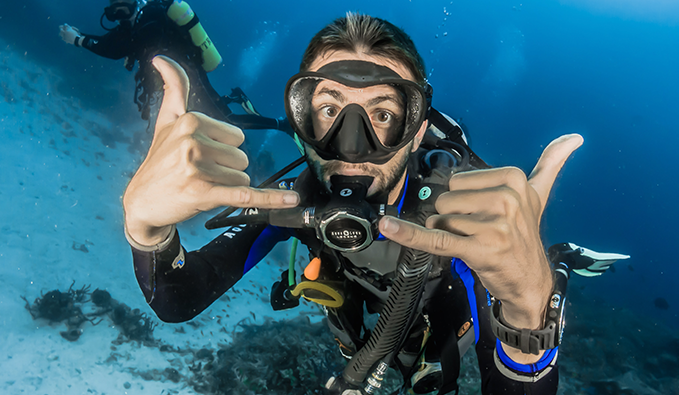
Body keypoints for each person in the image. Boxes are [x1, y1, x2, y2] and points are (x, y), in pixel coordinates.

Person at [122, 12, 626, 395]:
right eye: (328, 109)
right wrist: (146, 228)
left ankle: (553, 264)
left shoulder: (461, 220)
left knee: (527, 274)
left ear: (418, 129)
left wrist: (527, 309)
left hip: (442, 337)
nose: (353, 146)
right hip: (366, 334)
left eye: (383, 114)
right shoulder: (297, 198)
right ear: (301, 123)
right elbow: (176, 296)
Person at [59, 0, 286, 132]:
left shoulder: (149, 18)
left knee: (227, 122)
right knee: (198, 115)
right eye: (114, 14)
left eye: (123, 11)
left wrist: (79, 41)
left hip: (190, 77)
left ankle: (281, 125)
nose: (119, 18)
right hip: (179, 81)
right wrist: (81, 36)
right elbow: (114, 42)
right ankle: (233, 98)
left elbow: (115, 49)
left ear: (134, 4)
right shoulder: (139, 20)